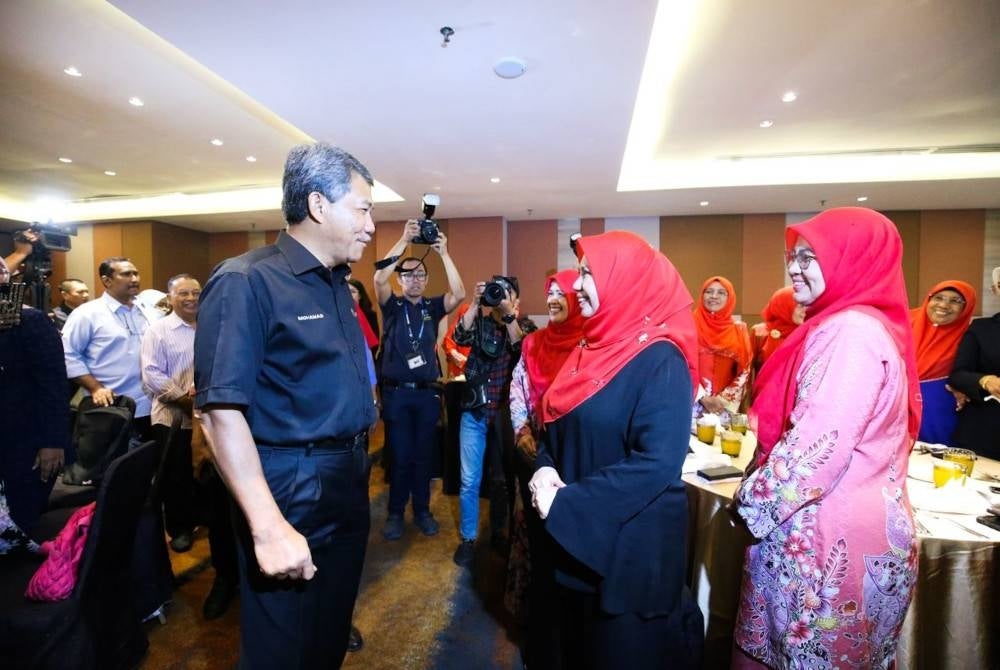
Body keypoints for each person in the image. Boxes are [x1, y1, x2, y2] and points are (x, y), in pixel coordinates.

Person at [194, 142, 376, 669]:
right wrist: (269, 527)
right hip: (290, 481)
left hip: (347, 473)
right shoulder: (246, 280)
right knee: (282, 644)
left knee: (328, 628)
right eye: (362, 208)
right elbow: (219, 412)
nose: (369, 224)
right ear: (319, 205)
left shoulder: (338, 284)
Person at [732, 207, 920, 669]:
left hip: (825, 536)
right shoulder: (866, 325)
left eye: (811, 256)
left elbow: (815, 452)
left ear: (852, 259)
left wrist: (744, 504)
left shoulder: (849, 332)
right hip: (852, 527)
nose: (794, 267)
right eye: (792, 256)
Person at [528, 231, 702, 669]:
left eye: (589, 273)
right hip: (576, 542)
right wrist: (544, 466)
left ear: (625, 281)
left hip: (628, 555)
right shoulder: (589, 348)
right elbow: (556, 424)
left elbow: (657, 463)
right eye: (581, 272)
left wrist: (566, 503)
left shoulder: (662, 359)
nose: (578, 285)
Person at [506, 269, 584, 663]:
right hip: (533, 454)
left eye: (561, 292)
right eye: (549, 291)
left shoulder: (590, 345)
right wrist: (524, 437)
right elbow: (518, 392)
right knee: (532, 534)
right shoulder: (533, 343)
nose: (553, 298)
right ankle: (532, 615)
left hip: (574, 460)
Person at [373, 222, 465, 540]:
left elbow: (460, 293)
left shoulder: (432, 305)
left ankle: (422, 510)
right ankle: (396, 513)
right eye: (408, 274)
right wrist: (403, 240)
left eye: (420, 275)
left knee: (424, 456)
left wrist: (445, 254)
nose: (415, 279)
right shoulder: (392, 305)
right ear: (400, 280)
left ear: (426, 280)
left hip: (426, 396)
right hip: (397, 395)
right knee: (400, 455)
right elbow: (378, 277)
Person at [452, 275, 526, 567]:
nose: (499, 296)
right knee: (469, 480)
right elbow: (459, 337)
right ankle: (469, 538)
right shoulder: (479, 322)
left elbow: (522, 351)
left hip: (503, 416)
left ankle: (498, 532)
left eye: (506, 293)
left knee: (499, 481)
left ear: (516, 301)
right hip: (475, 412)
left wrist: (508, 316)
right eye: (496, 291)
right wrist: (475, 302)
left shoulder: (522, 326)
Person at [0, 256, 69, 536]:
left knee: (21, 521)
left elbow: (53, 385)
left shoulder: (30, 320)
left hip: (25, 441)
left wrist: (53, 441)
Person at [141, 275, 200, 553]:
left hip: (209, 419)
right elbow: (151, 374)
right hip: (173, 418)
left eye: (196, 293)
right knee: (176, 476)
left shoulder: (212, 327)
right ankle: (179, 528)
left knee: (203, 473)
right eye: (183, 293)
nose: (190, 298)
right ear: (170, 297)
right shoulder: (159, 330)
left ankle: (202, 518)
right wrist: (185, 401)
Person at [62, 257, 152, 438]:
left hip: (151, 407)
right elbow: (68, 354)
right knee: (115, 464)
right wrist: (95, 387)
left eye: (136, 273)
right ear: (107, 280)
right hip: (111, 407)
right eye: (126, 274)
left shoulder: (147, 310)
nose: (134, 279)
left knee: (148, 463)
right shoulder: (87, 314)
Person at [910, 280, 976, 445]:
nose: (944, 305)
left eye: (955, 301)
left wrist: (964, 386)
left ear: (966, 308)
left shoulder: (972, 337)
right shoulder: (902, 323)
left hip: (938, 413)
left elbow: (974, 373)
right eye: (938, 297)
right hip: (893, 406)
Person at [948, 266, 1000, 458]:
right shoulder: (981, 328)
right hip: (985, 432)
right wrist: (985, 380)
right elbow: (958, 375)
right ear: (996, 290)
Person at [694, 276, 752, 414]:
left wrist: (722, 400)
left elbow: (745, 369)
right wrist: (702, 396)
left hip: (723, 407)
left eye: (721, 292)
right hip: (692, 400)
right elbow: (681, 365)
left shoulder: (739, 329)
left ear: (729, 297)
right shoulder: (688, 325)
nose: (714, 296)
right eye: (709, 291)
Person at [750, 286, 804, 374]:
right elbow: (747, 370)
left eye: (807, 305)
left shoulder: (811, 333)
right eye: (800, 306)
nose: (805, 310)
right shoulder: (759, 332)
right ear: (783, 305)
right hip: (764, 386)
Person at [442, 303, 472, 379]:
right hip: (456, 374)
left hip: (471, 371)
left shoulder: (480, 328)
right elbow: (447, 341)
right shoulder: (456, 326)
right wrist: (453, 352)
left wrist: (467, 361)